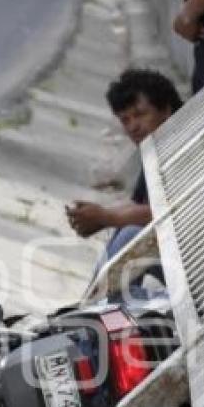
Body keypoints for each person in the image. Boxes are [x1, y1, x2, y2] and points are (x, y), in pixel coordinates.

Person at [66, 67, 182, 262]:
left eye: (140, 114)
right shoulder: (155, 149)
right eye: (125, 120)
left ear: (166, 109)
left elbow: (173, 209)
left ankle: (102, 292)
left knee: (129, 236)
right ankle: (100, 291)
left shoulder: (185, 143)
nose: (133, 127)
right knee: (124, 234)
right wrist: (100, 217)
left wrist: (107, 217)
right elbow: (141, 206)